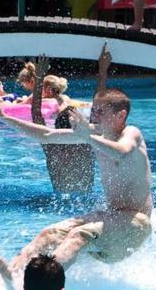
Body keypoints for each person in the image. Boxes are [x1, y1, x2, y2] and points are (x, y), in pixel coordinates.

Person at [0, 84, 152, 290]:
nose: (93, 115)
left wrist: (87, 137)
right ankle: (3, 282)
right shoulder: (95, 133)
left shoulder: (131, 133)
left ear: (121, 115)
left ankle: (34, 288)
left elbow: (121, 152)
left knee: (79, 234)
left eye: (100, 111)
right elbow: (47, 134)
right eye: (93, 110)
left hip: (135, 224)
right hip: (112, 219)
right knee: (49, 234)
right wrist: (3, 117)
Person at [30, 44, 112, 193]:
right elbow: (98, 105)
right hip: (86, 205)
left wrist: (39, 77)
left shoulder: (52, 146)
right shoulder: (88, 141)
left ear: (56, 127)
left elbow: (36, 114)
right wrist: (102, 70)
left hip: (57, 205)